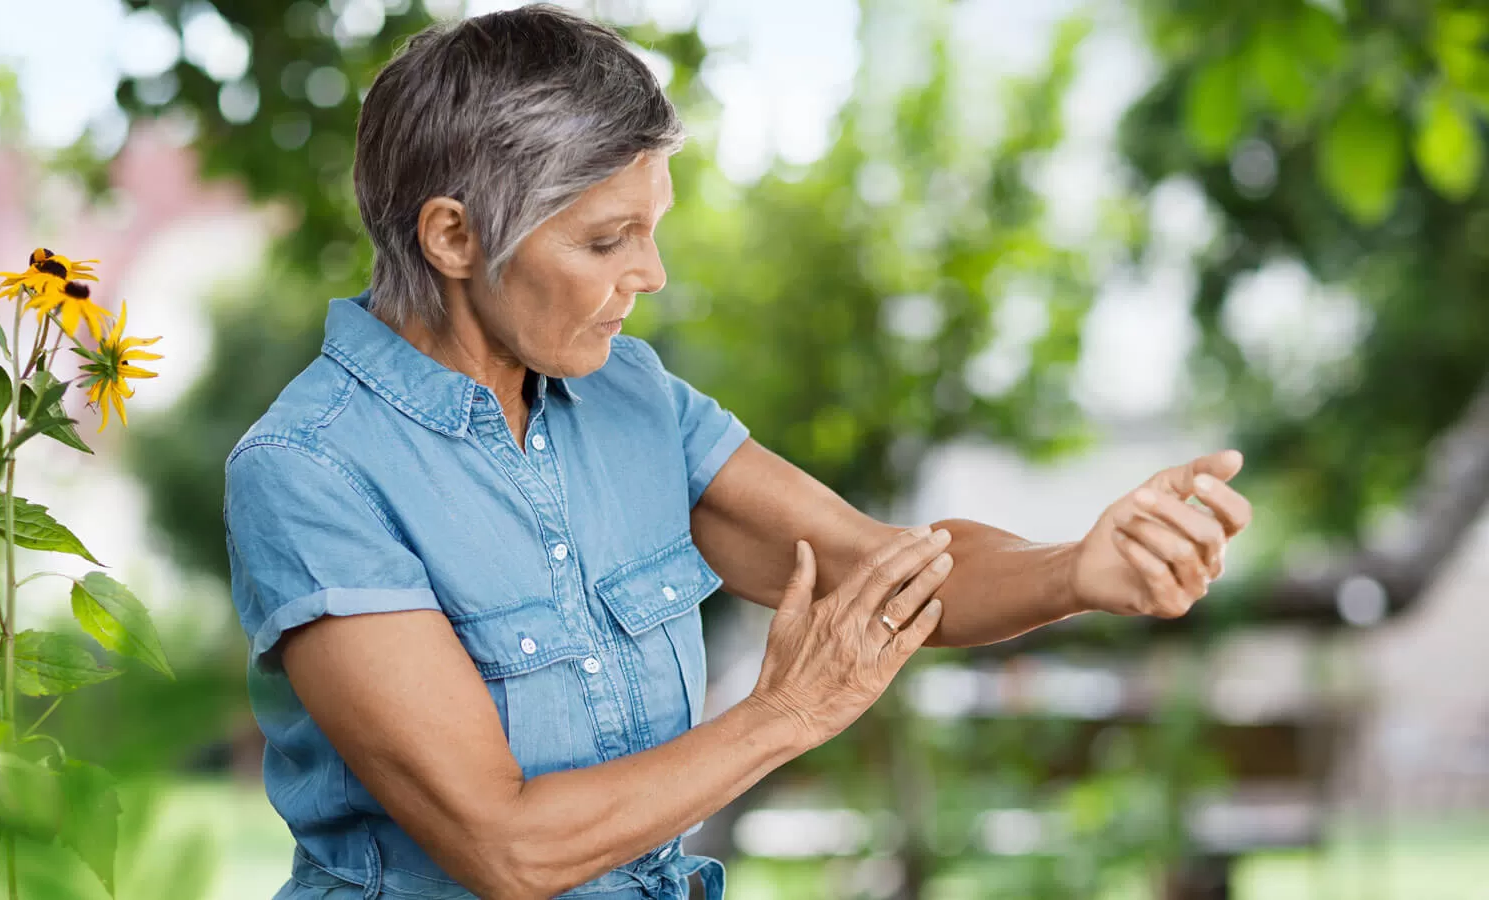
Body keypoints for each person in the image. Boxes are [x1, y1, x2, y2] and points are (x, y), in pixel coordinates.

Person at [221, 5, 1254, 898]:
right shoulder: (312, 471)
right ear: (452, 239)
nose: (652, 274)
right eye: (604, 240)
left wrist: (1076, 566)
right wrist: (782, 715)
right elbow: (506, 850)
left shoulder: (628, 397)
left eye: (652, 228)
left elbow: (880, 568)